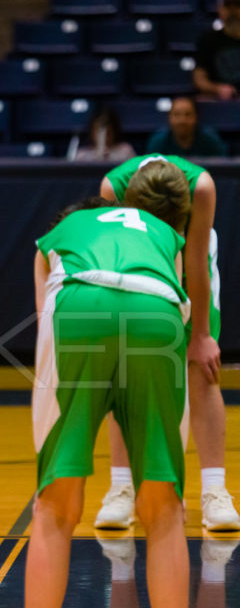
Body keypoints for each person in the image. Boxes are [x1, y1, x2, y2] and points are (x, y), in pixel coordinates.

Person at [25, 163, 193, 608]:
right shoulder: (166, 234)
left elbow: (44, 322)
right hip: (156, 311)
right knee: (164, 507)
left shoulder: (55, 236)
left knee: (55, 504)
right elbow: (183, 306)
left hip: (79, 307)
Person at [95, 153, 239, 533]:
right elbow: (118, 259)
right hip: (137, 261)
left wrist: (202, 335)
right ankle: (121, 487)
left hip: (191, 258)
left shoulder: (201, 187)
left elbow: (194, 263)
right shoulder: (113, 188)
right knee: (123, 368)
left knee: (201, 367)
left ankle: (215, 492)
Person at [194, 0, 240, 100]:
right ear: (219, 9)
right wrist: (217, 88)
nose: (233, 10)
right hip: (218, 99)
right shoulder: (208, 40)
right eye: (228, 5)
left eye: (237, 5)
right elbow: (199, 78)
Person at [146, 96, 227, 157]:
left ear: (196, 117)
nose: (182, 120)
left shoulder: (211, 140)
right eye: (177, 115)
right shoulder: (157, 143)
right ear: (169, 118)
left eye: (187, 115)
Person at [69, 107, 135, 162]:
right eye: (98, 132)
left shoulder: (126, 151)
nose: (105, 137)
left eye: (108, 133)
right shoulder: (81, 156)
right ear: (92, 131)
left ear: (114, 131)